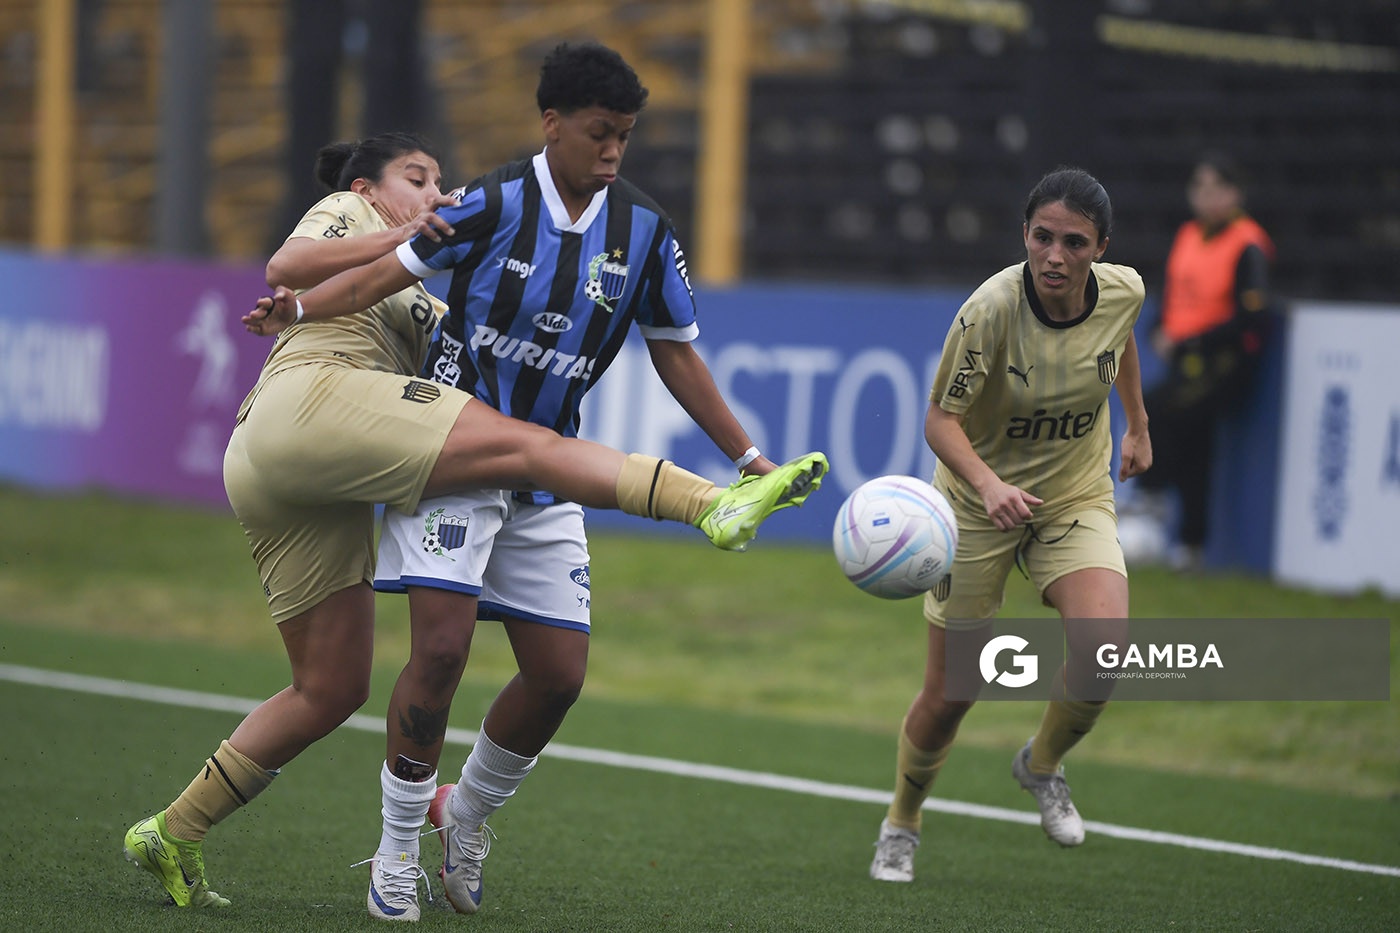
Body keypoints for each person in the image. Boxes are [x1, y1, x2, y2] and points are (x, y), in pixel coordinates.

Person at [121, 131, 827, 916]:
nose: (433, 191)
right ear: (367, 184)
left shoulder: (427, 278)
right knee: (527, 448)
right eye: (414, 178)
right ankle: (705, 502)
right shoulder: (349, 211)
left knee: (330, 687)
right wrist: (396, 232)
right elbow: (285, 269)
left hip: (298, 473)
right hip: (309, 403)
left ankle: (172, 830)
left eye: (438, 180)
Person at [358, 42, 796, 920]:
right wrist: (294, 302)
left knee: (559, 674)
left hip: (549, 467)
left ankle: (467, 812)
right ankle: (397, 848)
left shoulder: (643, 232)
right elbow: (384, 274)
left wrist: (750, 459)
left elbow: (675, 353)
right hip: (452, 452)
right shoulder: (487, 202)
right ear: (551, 123)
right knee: (440, 653)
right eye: (600, 133)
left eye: (625, 137)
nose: (612, 152)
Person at [867, 168, 1152, 883]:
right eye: (1042, 237)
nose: (1055, 255)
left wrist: (1138, 425)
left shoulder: (1126, 290)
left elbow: (1119, 343)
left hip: (1073, 494)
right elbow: (939, 420)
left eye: (1074, 242)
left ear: (1101, 249)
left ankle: (1041, 765)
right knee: (952, 692)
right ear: (1024, 235)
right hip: (975, 505)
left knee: (1104, 654)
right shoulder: (988, 310)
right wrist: (989, 485)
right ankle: (902, 820)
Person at [1137, 153, 1274, 570]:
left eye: (1216, 188)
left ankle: (1152, 499)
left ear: (1235, 194)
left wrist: (1195, 341)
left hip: (1223, 363)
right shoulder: (1188, 235)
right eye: (1199, 187)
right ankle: (1191, 546)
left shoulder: (1248, 243)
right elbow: (1174, 294)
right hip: (1185, 360)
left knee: (1158, 407)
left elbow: (1252, 315)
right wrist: (1159, 328)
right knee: (1195, 445)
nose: (1206, 196)